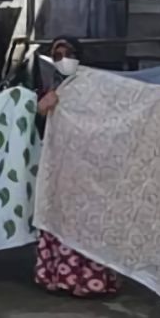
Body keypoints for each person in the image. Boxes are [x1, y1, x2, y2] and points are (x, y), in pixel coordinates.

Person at [33, 36, 121, 298]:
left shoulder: (98, 85)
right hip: (62, 168)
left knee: (90, 223)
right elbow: (41, 126)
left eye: (68, 53)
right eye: (57, 55)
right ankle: (62, 277)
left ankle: (92, 280)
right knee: (60, 219)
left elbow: (110, 120)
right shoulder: (55, 86)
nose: (63, 59)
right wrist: (42, 108)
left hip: (92, 168)